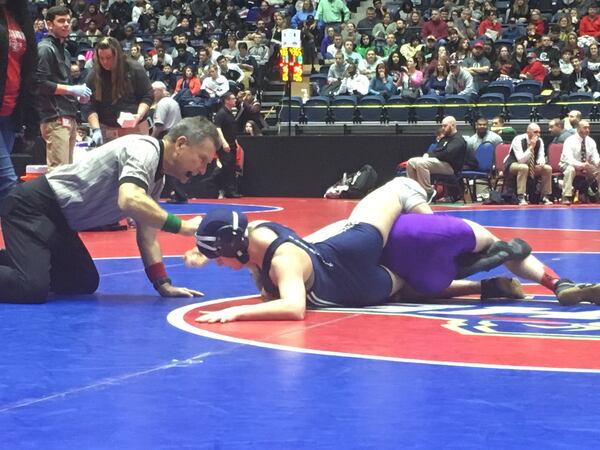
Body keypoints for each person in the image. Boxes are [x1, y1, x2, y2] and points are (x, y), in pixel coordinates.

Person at [186, 178, 600, 323]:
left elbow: (294, 308)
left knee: (415, 283)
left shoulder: (279, 266)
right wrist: (203, 247)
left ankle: (470, 271)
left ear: (233, 248)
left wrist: (237, 311)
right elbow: (223, 230)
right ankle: (555, 281)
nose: (220, 265)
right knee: (394, 191)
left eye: (218, 257)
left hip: (364, 278)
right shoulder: (258, 235)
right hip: (349, 250)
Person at [0, 117, 220, 304]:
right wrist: (180, 226)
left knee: (83, 282)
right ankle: (26, 260)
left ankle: (23, 256)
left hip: (59, 220)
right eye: (202, 159)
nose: (202, 170)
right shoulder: (144, 149)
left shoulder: (156, 179)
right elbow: (129, 199)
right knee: (30, 287)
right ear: (181, 144)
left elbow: (147, 234)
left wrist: (162, 283)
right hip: (31, 207)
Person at [36, 5, 92, 171]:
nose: (66, 24)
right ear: (49, 24)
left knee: (67, 173)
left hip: (68, 115)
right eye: (61, 21)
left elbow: (62, 84)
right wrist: (71, 90)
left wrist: (77, 95)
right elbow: (40, 84)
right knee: (58, 173)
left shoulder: (65, 52)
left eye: (68, 21)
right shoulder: (45, 49)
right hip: (54, 117)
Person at [84, 37, 153, 146]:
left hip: (135, 128)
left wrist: (139, 115)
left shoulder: (135, 69)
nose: (105, 62)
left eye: (109, 57)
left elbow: (147, 96)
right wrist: (96, 129)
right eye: (101, 58)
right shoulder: (93, 75)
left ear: (117, 56)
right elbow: (89, 104)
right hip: (107, 129)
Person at [0, 0, 37, 204]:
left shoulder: (18, 15)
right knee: (7, 183)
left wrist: (31, 121)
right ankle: (24, 234)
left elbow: (30, 70)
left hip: (10, 112)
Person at [406, 116, 467, 198]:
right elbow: (437, 151)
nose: (442, 128)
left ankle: (428, 192)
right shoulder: (444, 139)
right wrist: (429, 154)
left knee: (421, 163)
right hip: (440, 162)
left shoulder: (458, 140)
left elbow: (447, 154)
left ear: (452, 125)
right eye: (442, 126)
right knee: (411, 162)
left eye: (445, 126)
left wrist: (430, 155)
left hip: (451, 167)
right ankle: (414, 191)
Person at [504, 123, 553, 206]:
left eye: (539, 132)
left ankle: (545, 196)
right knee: (524, 167)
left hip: (531, 165)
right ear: (528, 132)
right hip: (513, 164)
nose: (538, 135)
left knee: (547, 168)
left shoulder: (540, 141)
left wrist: (540, 164)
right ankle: (521, 196)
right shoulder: (518, 139)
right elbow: (521, 160)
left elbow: (541, 156)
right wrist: (531, 147)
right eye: (535, 132)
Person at [559, 120, 600, 204]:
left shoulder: (591, 141)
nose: (587, 130)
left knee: (598, 170)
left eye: (588, 128)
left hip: (585, 165)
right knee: (570, 169)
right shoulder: (569, 141)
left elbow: (595, 156)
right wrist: (581, 165)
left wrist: (598, 162)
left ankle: (597, 194)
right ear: (578, 129)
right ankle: (566, 196)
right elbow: (568, 159)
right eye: (585, 128)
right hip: (567, 164)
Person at [214, 91, 241, 198]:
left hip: (232, 143)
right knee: (227, 167)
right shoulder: (221, 113)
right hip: (225, 145)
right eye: (233, 99)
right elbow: (217, 128)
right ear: (227, 101)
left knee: (231, 167)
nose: (235, 100)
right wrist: (224, 142)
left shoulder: (230, 113)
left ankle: (231, 190)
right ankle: (227, 190)